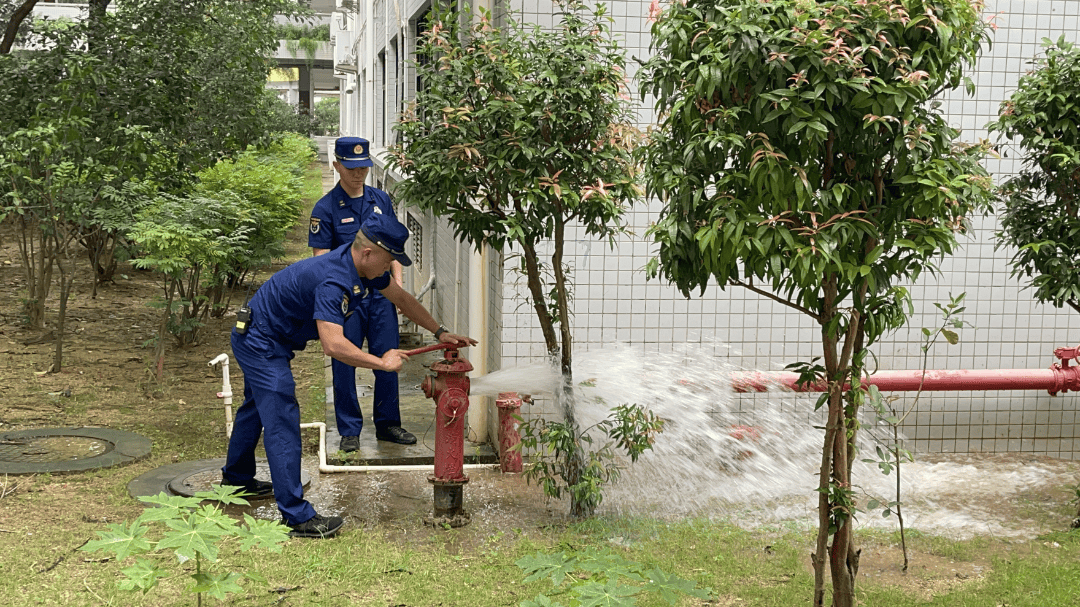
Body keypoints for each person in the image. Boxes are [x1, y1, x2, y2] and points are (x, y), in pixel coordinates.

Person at [221, 212, 476, 538]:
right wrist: (381, 363)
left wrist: (440, 331)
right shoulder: (335, 281)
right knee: (281, 414)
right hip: (260, 341)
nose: (390, 266)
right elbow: (334, 345)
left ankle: (237, 479)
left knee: (256, 407)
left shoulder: (361, 266)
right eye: (389, 259)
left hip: (267, 334)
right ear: (368, 252)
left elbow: (401, 298)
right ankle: (296, 517)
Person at [309, 136, 415, 451]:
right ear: (337, 165)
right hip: (348, 299)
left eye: (363, 167)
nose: (358, 174)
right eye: (351, 168)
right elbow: (321, 261)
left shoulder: (381, 199)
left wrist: (398, 284)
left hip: (381, 295)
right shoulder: (324, 209)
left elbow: (392, 246)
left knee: (388, 356)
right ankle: (349, 430)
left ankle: (388, 424)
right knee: (345, 361)